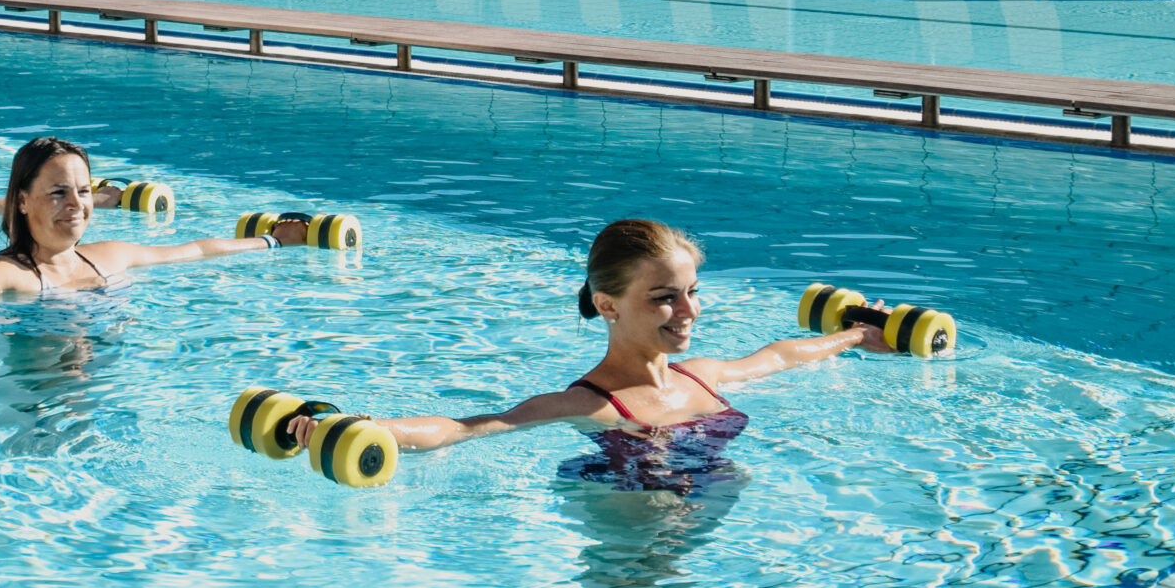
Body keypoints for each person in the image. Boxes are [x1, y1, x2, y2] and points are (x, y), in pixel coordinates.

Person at [286, 218, 904, 491]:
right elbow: (467, 428)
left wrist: (856, 335)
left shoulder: (703, 378)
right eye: (664, 298)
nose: (688, 312)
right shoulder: (593, 404)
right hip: (634, 550)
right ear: (608, 306)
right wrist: (353, 427)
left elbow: (779, 356)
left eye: (692, 293)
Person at [0, 134, 312, 334]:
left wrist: (271, 240)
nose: (76, 204)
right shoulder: (7, 275)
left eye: (83, 190)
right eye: (57, 192)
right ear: (24, 201)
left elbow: (193, 251)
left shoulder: (108, 256)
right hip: (35, 396)